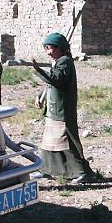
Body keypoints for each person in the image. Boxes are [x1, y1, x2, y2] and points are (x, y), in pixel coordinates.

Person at [31, 33, 95, 184]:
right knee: (49, 142)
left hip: (63, 111)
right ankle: (46, 169)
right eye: (46, 48)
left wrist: (38, 70)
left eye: (50, 48)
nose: (48, 52)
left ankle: (82, 172)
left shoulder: (65, 62)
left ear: (60, 48)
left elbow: (56, 80)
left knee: (67, 143)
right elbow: (50, 85)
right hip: (53, 111)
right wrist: (40, 96)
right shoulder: (58, 61)